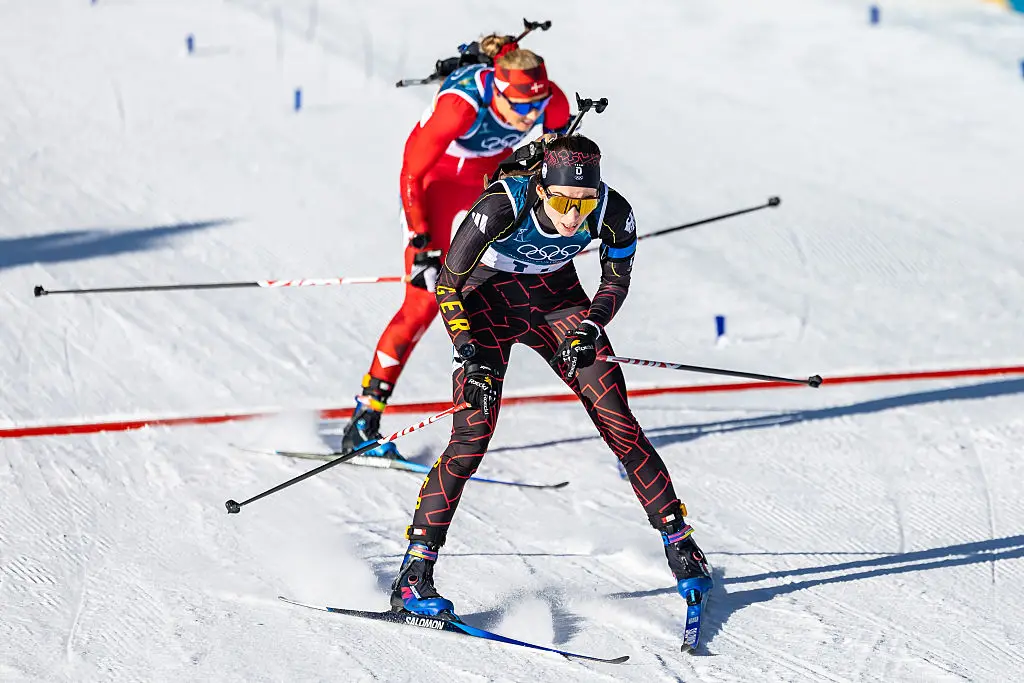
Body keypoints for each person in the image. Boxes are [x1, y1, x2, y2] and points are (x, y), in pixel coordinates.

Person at [388, 134, 713, 619]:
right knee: (472, 436)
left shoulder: (613, 211)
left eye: (583, 201)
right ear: (542, 188)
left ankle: (682, 547)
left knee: (617, 419)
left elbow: (615, 279)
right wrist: (467, 352)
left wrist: (589, 327)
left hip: (556, 303)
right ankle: (414, 576)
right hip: (486, 306)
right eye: (562, 200)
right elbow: (449, 282)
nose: (573, 214)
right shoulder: (502, 205)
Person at [339, 35, 573, 458]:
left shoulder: (550, 101)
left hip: (488, 186)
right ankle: (363, 420)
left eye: (534, 109)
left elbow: (555, 168)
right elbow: (411, 173)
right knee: (424, 303)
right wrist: (422, 242)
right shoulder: (460, 106)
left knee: (502, 290)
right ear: (498, 93)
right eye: (519, 108)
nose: (527, 119)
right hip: (436, 188)